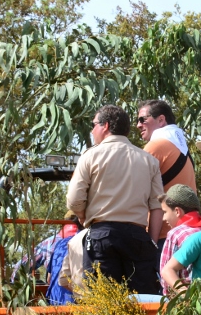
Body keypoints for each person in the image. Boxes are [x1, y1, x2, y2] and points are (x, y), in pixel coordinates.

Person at [66, 105, 163, 294]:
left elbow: (74, 200)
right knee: (142, 302)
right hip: (137, 237)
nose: (92, 130)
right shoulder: (149, 160)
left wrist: (83, 216)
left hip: (101, 236)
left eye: (93, 124)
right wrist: (151, 242)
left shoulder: (90, 156)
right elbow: (157, 206)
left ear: (105, 126)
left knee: (105, 304)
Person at [136, 100, 199, 250]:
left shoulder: (156, 145)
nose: (138, 125)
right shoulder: (180, 146)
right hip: (188, 231)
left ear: (161, 120)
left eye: (142, 119)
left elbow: (136, 191)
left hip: (164, 236)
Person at [158, 184, 201, 294]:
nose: (163, 218)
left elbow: (166, 279)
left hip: (184, 299)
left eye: (165, 212)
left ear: (177, 211)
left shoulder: (175, 234)